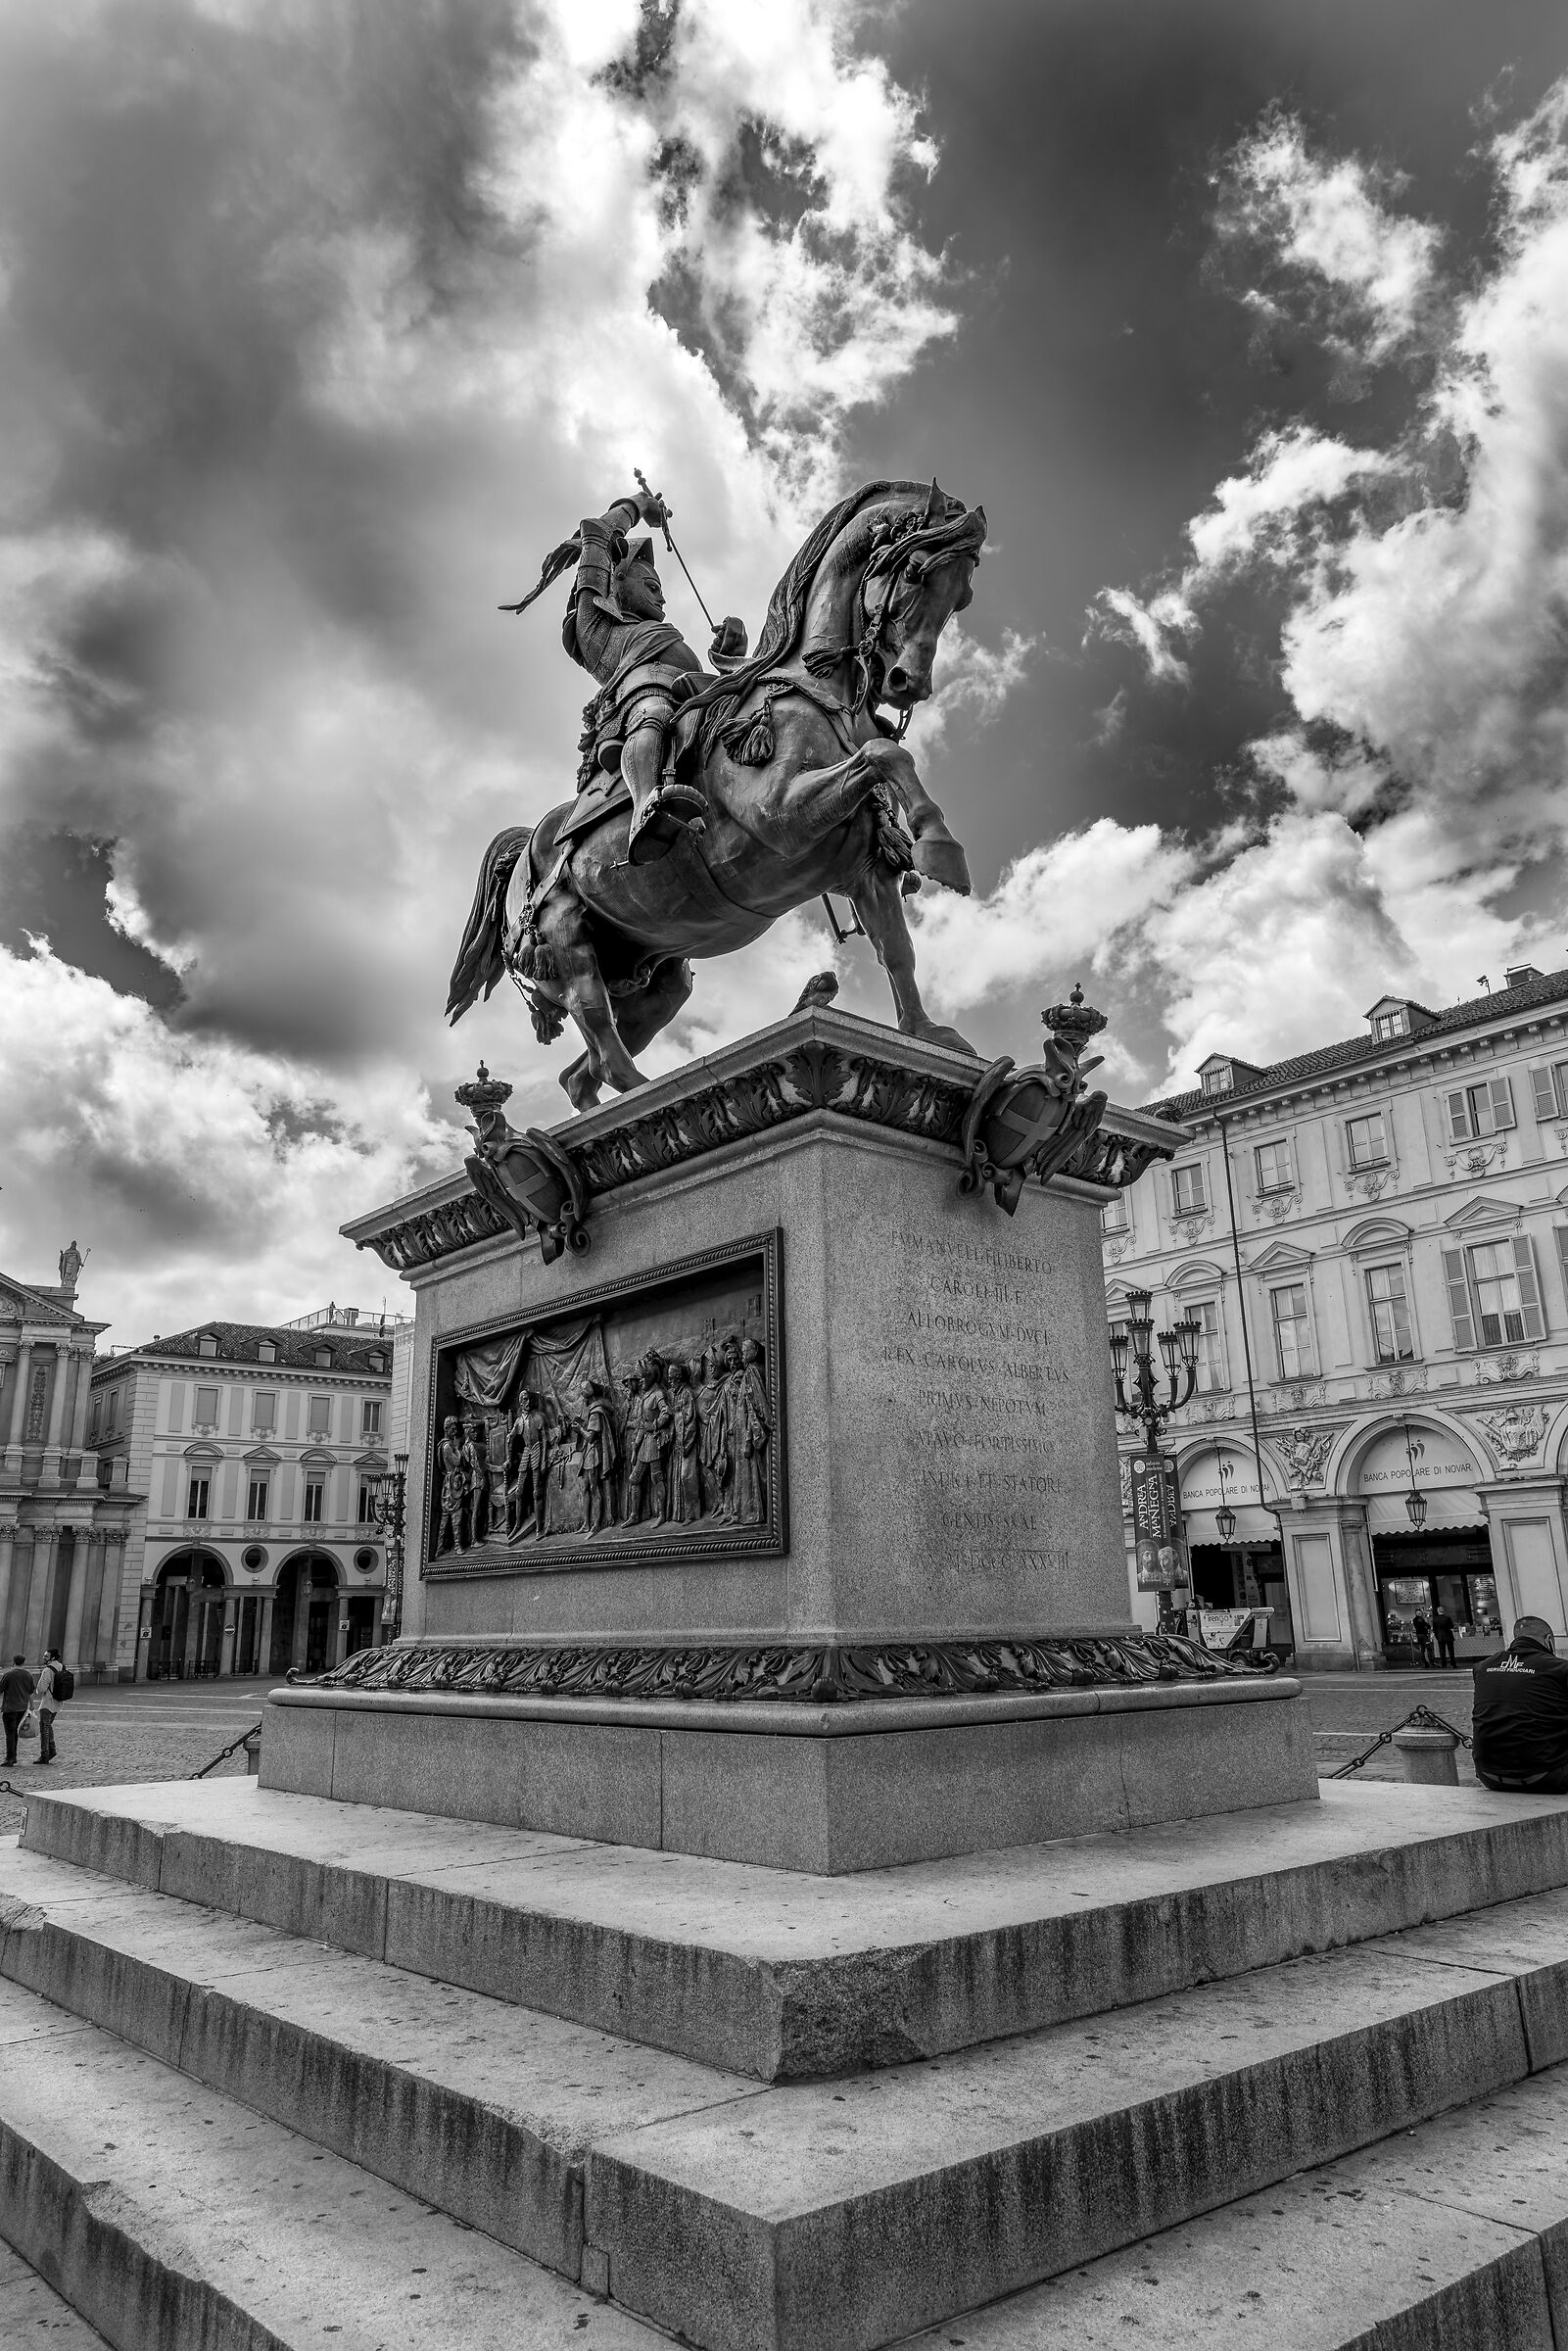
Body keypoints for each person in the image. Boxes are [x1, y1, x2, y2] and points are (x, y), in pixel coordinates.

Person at [559, 488, 747, 865]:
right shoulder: (597, 631)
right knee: (655, 710)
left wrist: (732, 655)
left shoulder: (666, 635)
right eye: (652, 588)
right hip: (641, 703)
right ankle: (645, 805)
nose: (662, 600)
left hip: (694, 700)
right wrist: (635, 507)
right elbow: (596, 531)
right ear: (621, 581)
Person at [1472, 1615, 1568, 1792]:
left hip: (1489, 1775)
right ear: (1549, 1641)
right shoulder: (1560, 1668)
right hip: (1546, 1775)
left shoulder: (1482, 1667)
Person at [0, 1654, 33, 1767]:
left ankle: (10, 1757)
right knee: (15, 1733)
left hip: (10, 1708)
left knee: (10, 1733)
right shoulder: (28, 1675)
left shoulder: (8, 1674)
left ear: (13, 1662)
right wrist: (32, 1705)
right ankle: (13, 1756)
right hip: (22, 1708)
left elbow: (0, 1689)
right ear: (23, 1663)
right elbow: (30, 1692)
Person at [35, 1650, 61, 1765]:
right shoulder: (62, 1667)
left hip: (47, 1703)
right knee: (48, 1725)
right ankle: (52, 1750)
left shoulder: (47, 1670)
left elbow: (41, 1689)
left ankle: (45, 1754)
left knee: (44, 1728)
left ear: (53, 1658)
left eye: (46, 1656)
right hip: (58, 1702)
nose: (44, 1658)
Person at [1432, 1602, 1457, 1669]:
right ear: (1443, 1611)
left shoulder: (1435, 1619)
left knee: (1442, 1651)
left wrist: (1437, 1636)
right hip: (1448, 1636)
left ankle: (1443, 1664)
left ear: (1438, 1611)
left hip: (1440, 1636)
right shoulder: (1447, 1618)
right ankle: (1453, 1663)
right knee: (1451, 1651)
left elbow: (1434, 1629)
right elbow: (1451, 1627)